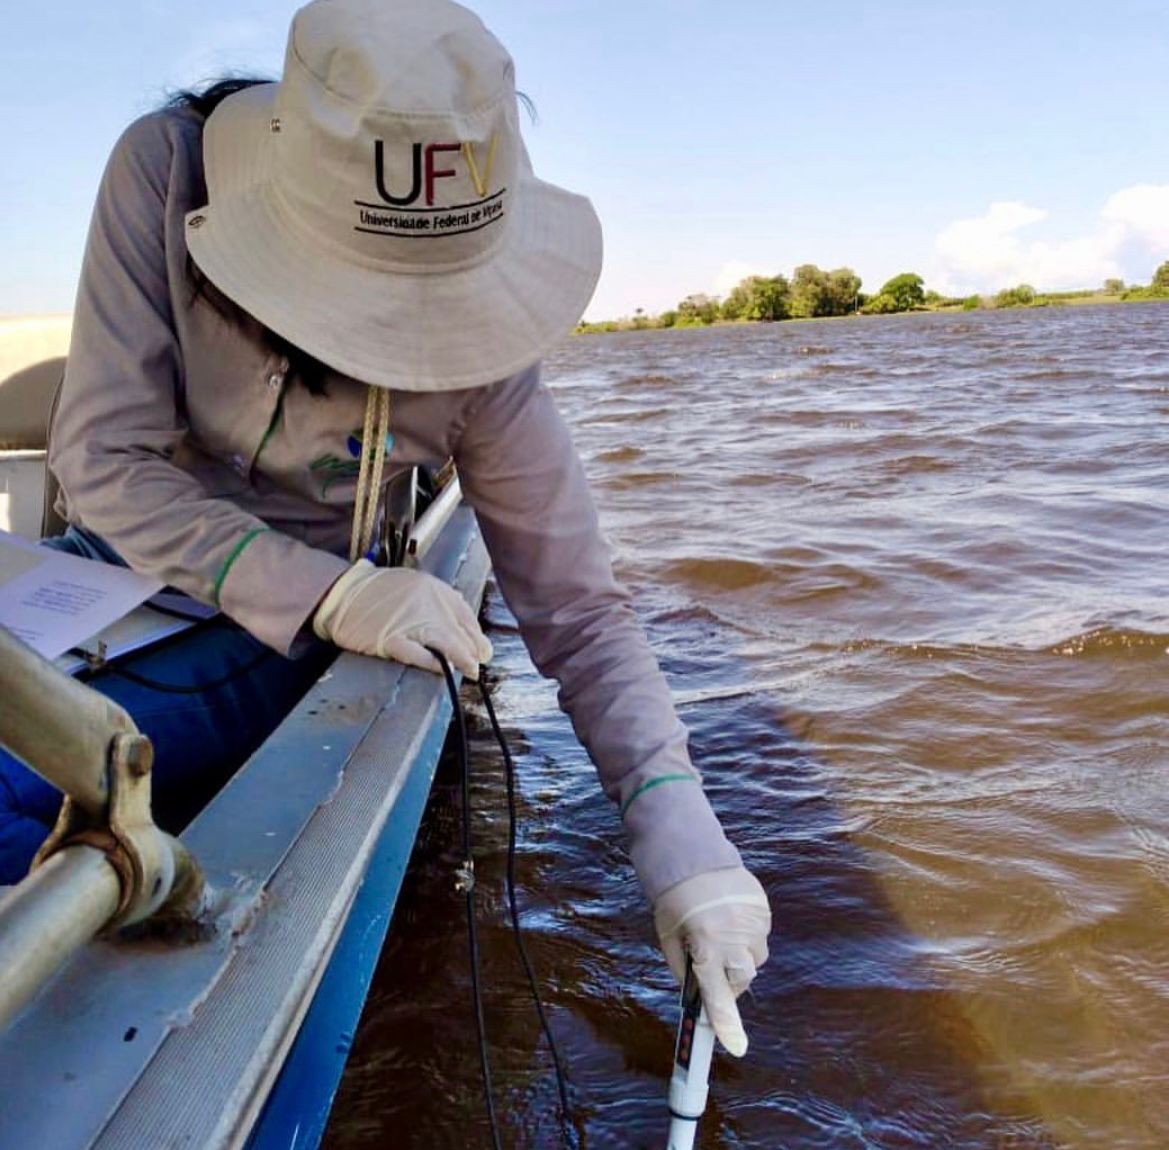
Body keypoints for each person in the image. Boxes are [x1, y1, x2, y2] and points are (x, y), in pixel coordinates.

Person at [0, 0, 770, 1056]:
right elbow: (101, 457)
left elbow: (579, 611)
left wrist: (683, 844)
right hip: (124, 576)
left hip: (279, 636)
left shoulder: (488, 366)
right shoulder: (161, 171)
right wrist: (328, 588)